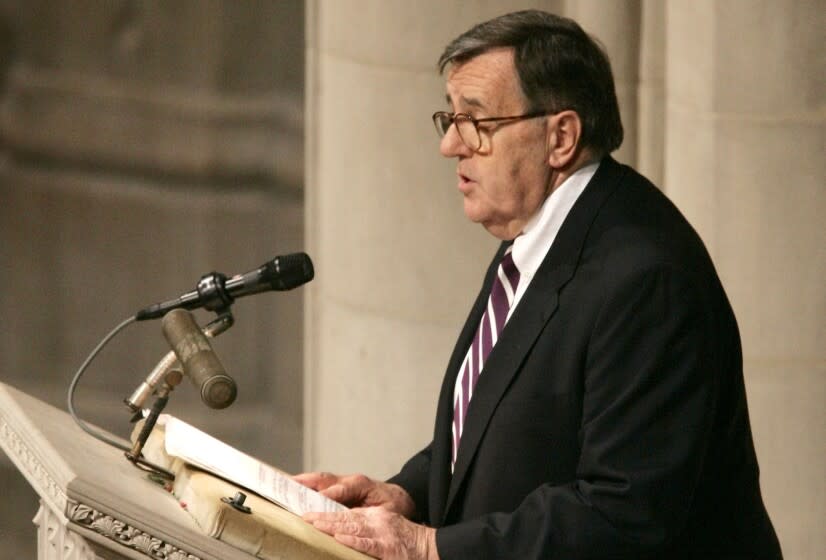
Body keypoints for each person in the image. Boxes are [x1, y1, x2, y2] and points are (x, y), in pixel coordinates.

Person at [297, 10, 782, 560]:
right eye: (449, 118)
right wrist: (407, 495)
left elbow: (621, 514)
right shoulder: (537, 235)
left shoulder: (648, 281)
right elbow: (498, 423)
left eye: (476, 123)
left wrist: (429, 547)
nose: (451, 145)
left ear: (561, 136)